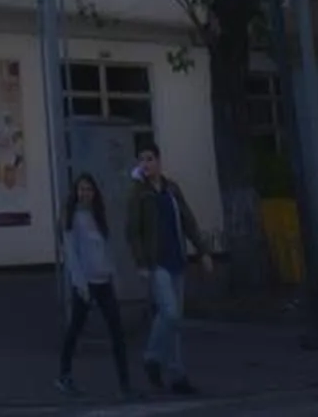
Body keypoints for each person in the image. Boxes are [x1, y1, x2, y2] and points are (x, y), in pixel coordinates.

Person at [127, 139, 210, 398]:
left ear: (159, 161)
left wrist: (203, 251)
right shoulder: (138, 193)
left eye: (150, 158)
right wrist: (141, 262)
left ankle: (178, 374)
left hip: (177, 259)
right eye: (142, 159)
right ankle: (152, 357)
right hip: (156, 262)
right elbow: (133, 230)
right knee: (170, 313)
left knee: (175, 322)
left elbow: (187, 219)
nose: (146, 164)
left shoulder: (171, 189)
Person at [58, 171, 132, 400]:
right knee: (75, 330)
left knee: (117, 332)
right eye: (81, 189)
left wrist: (113, 276)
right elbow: (72, 254)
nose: (85, 193)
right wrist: (81, 285)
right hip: (85, 284)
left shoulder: (98, 216)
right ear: (75, 192)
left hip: (104, 282)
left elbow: (105, 248)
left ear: (94, 192)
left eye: (89, 189)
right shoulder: (71, 217)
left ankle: (125, 384)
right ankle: (64, 375)